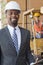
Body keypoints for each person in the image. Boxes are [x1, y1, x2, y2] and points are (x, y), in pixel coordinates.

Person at [0, 1, 35, 65]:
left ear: (18, 15)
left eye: (16, 13)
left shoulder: (26, 33)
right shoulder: (1, 34)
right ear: (6, 15)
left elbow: (28, 52)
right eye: (10, 13)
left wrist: (32, 62)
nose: (13, 15)